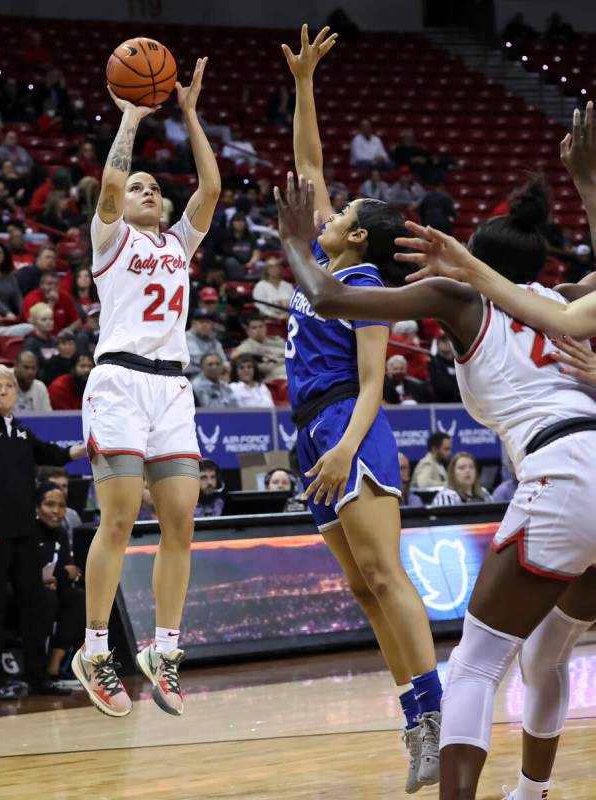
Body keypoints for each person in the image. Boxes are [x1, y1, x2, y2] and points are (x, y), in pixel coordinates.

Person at [274, 163, 596, 800]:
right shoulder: (571, 298)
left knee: (476, 663)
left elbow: (334, 299)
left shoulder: (464, 300)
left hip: (561, 472)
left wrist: (290, 239)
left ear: (476, 262)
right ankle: (532, 793)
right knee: (545, 654)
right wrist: (587, 186)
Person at [281, 27, 443, 792]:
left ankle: (438, 716)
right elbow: (308, 166)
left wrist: (346, 445)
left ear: (359, 235)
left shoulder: (368, 281)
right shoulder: (322, 266)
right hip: (309, 430)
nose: (329, 210)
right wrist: (305, 83)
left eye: (342, 211)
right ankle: (416, 718)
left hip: (349, 422)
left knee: (384, 572)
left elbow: (375, 379)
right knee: (359, 586)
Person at [71, 57, 220, 718]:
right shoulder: (110, 240)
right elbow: (107, 187)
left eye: (154, 186)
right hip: (119, 383)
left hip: (171, 391)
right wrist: (131, 116)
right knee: (121, 517)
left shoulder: (177, 244)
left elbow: (210, 189)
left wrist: (187, 113)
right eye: (140, 187)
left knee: (181, 521)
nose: (148, 190)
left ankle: (163, 649)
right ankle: (95, 648)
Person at [0, 364, 86, 700]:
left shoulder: (20, 431)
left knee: (35, 603)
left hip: (25, 533)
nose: (5, 391)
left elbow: (53, 454)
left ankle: (37, 677)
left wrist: (85, 449)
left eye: (9, 385)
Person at [33, 482, 85, 682]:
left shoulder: (61, 533)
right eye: (49, 504)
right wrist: (59, 575)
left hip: (54, 590)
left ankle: (54, 667)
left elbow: (70, 570)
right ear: (37, 507)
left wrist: (58, 577)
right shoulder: (28, 533)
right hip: (26, 593)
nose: (56, 511)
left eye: (61, 506)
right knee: (46, 596)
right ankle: (36, 669)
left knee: (78, 598)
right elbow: (30, 573)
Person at [230, 314, 287, 381]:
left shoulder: (277, 339)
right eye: (254, 328)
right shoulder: (248, 345)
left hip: (289, 365)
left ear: (265, 328)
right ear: (248, 332)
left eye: (261, 327)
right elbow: (233, 357)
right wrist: (259, 358)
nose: (258, 330)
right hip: (275, 374)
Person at [35, 467, 83, 547]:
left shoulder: (72, 515)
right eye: (54, 485)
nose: (60, 491)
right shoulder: (28, 522)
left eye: (64, 486)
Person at [184, 310, 228, 378]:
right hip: (191, 377)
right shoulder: (187, 337)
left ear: (212, 324)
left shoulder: (213, 339)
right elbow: (200, 360)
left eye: (208, 322)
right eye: (201, 322)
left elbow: (224, 362)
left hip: (211, 376)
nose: (205, 324)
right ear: (193, 323)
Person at [21, 303, 58, 380]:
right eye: (44, 320)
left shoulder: (55, 340)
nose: (49, 322)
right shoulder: (30, 342)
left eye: (51, 319)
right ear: (34, 322)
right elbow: (30, 368)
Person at [429, 330, 460, 402]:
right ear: (437, 343)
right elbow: (440, 386)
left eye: (449, 340)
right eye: (443, 341)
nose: (447, 343)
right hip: (443, 404)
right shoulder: (433, 363)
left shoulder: (458, 362)